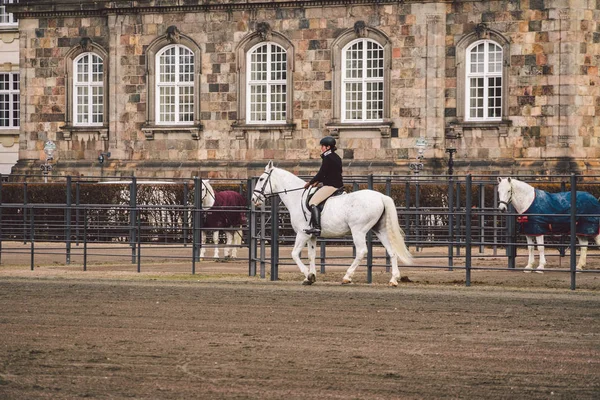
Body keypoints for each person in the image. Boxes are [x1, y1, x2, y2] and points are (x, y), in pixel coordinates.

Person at [303, 136, 343, 236]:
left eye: (323, 146)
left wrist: (310, 182)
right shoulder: (336, 156)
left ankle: (316, 227)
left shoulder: (327, 157)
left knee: (313, 202)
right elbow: (328, 173)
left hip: (331, 186)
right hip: (337, 184)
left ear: (328, 147)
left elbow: (322, 173)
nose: (321, 148)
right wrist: (318, 181)